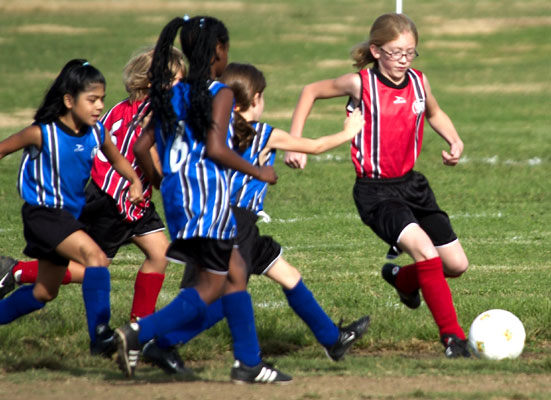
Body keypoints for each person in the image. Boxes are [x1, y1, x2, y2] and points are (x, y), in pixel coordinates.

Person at [140, 62, 371, 375]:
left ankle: (333, 339)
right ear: (256, 98)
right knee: (226, 298)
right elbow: (315, 146)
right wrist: (348, 132)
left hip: (218, 217)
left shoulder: (213, 132)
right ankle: (161, 342)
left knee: (288, 275)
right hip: (236, 224)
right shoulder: (264, 134)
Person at [113, 16, 291, 384]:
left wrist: (164, 182)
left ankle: (248, 363)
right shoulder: (219, 93)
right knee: (211, 286)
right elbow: (215, 148)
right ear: (218, 51)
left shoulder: (171, 93)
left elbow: (143, 146)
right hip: (208, 198)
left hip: (180, 199)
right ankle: (139, 333)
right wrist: (259, 172)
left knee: (236, 273)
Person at [287, 13, 470, 358]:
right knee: (425, 251)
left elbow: (434, 113)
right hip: (376, 192)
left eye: (410, 52)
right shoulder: (361, 84)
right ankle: (453, 339)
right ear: (376, 51)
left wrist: (455, 140)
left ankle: (402, 279)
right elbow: (310, 91)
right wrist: (296, 143)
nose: (403, 60)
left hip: (413, 186)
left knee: (456, 265)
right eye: (396, 52)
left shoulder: (419, 81)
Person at [0, 47, 185, 356]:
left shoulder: (112, 116)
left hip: (117, 199)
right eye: (176, 80)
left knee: (156, 253)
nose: (100, 105)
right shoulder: (152, 113)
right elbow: (144, 150)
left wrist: (136, 180)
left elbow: (113, 151)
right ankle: (98, 333)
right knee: (94, 264)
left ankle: (138, 329)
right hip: (102, 202)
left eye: (101, 99)